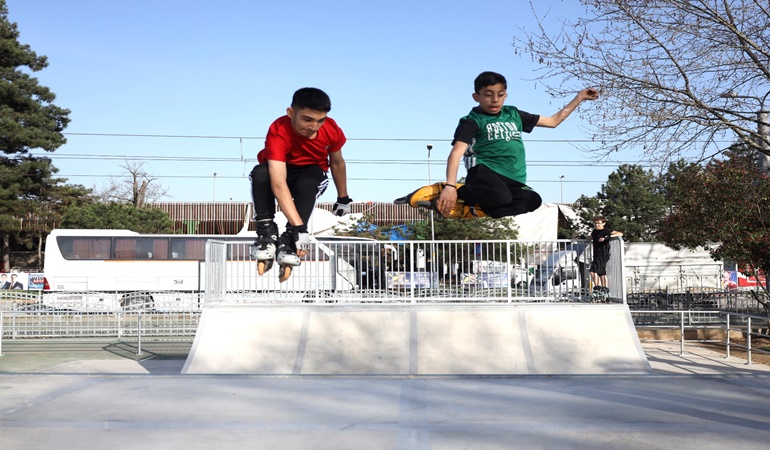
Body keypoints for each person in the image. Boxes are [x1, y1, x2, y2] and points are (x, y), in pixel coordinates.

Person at [435, 71, 599, 218]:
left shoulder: (513, 114)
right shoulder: (472, 121)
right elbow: (456, 153)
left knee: (532, 200)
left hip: (512, 177)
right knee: (501, 196)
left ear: (505, 95)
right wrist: (450, 185)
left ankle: (479, 209)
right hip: (484, 171)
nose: (495, 100)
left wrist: (579, 98)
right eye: (488, 95)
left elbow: (552, 122)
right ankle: (455, 192)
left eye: (500, 94)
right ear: (476, 97)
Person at [249, 87, 352, 271]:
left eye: (320, 121)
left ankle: (290, 238)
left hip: (311, 172)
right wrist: (301, 228)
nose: (313, 127)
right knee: (260, 173)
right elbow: (279, 183)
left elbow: (337, 163)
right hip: (281, 172)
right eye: (307, 119)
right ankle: (266, 232)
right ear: (291, 113)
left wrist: (343, 198)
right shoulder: (279, 129)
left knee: (309, 181)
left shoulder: (331, 130)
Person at [589, 216, 623, 297]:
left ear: (603, 223)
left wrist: (607, 237)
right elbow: (592, 237)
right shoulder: (594, 231)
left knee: (593, 271)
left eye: (599, 223)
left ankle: (597, 288)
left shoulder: (605, 231)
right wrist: (582, 237)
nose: (597, 225)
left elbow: (620, 233)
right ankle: (605, 289)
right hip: (596, 253)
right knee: (601, 272)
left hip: (603, 254)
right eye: (595, 223)